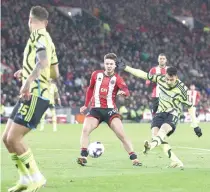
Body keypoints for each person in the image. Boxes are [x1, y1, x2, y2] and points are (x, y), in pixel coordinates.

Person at [2, 6, 59, 192]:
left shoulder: (39, 36)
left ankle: (37, 177)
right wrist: (27, 71)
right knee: (6, 138)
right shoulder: (48, 39)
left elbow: (42, 62)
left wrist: (28, 80)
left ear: (30, 20)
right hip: (32, 93)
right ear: (46, 22)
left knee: (14, 138)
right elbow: (55, 72)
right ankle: (25, 179)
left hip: (36, 93)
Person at [118, 61, 202, 169]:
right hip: (160, 112)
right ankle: (175, 161)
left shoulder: (182, 89)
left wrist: (195, 125)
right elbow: (143, 74)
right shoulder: (160, 78)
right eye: (167, 78)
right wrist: (126, 68)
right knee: (156, 137)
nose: (168, 81)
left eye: (171, 80)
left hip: (172, 114)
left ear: (176, 77)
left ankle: (150, 146)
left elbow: (190, 106)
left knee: (162, 131)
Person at [77, 53, 141, 166]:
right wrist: (86, 105)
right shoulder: (96, 75)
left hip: (110, 111)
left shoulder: (118, 79)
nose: (109, 66)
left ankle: (134, 158)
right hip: (95, 110)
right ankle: (83, 156)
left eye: (111, 64)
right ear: (104, 64)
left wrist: (123, 93)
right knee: (85, 129)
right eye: (107, 63)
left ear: (115, 65)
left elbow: (126, 90)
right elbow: (90, 89)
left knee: (121, 134)